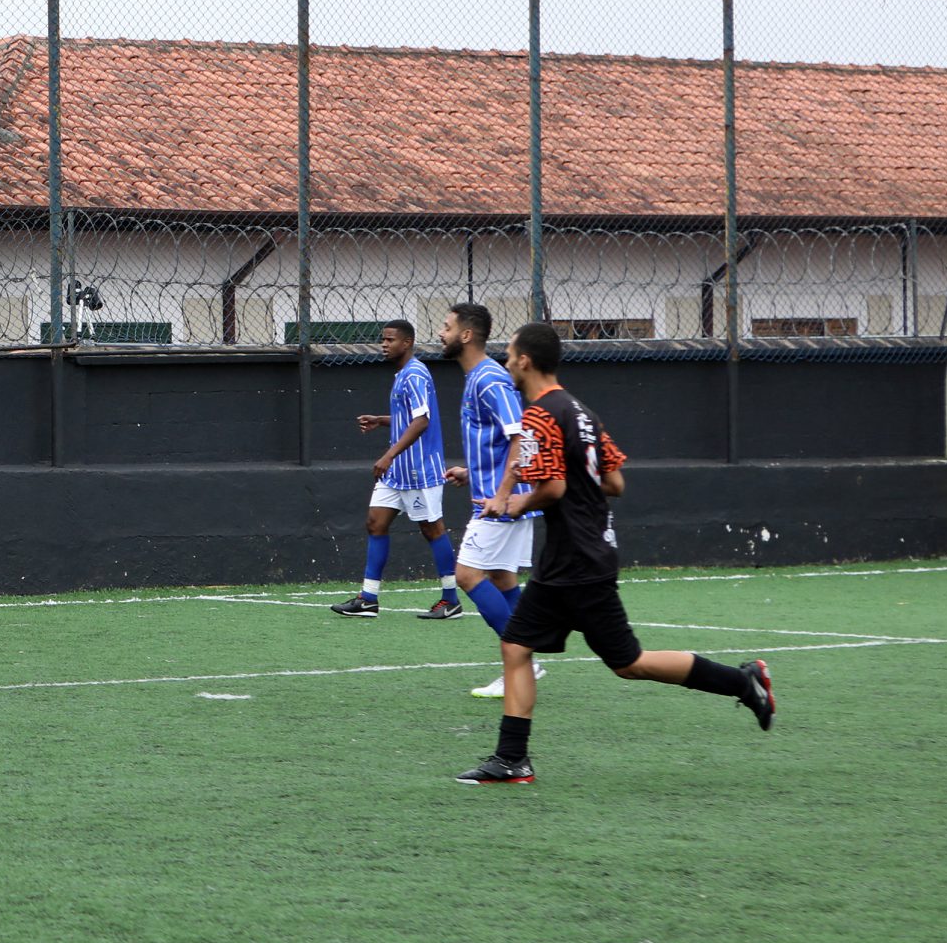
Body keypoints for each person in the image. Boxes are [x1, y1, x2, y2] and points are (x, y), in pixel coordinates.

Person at [455, 322, 774, 784]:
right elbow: (615, 482)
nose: (506, 363)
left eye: (509, 355)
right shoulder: (583, 412)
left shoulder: (541, 414)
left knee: (603, 658)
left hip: (574, 560)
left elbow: (554, 487)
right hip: (589, 551)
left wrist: (513, 501)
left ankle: (743, 681)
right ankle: (511, 758)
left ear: (525, 360)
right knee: (566, 652)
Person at [442, 302, 542, 697]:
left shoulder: (490, 379)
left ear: (466, 335)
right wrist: (472, 471)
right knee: (501, 578)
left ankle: (523, 661)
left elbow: (520, 434)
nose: (441, 332)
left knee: (466, 575)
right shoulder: (477, 379)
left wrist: (501, 494)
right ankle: (527, 661)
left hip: (503, 502)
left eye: (446, 326)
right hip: (496, 495)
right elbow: (499, 440)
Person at [329, 319, 461, 618]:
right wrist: (381, 419)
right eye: (383, 339)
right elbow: (409, 417)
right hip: (397, 472)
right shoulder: (403, 375)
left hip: (418, 469)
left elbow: (422, 421)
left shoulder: (415, 374)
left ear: (407, 343)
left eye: (390, 340)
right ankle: (368, 599)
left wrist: (388, 455)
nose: (384, 344)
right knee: (376, 522)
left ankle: (451, 600)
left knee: (431, 529)